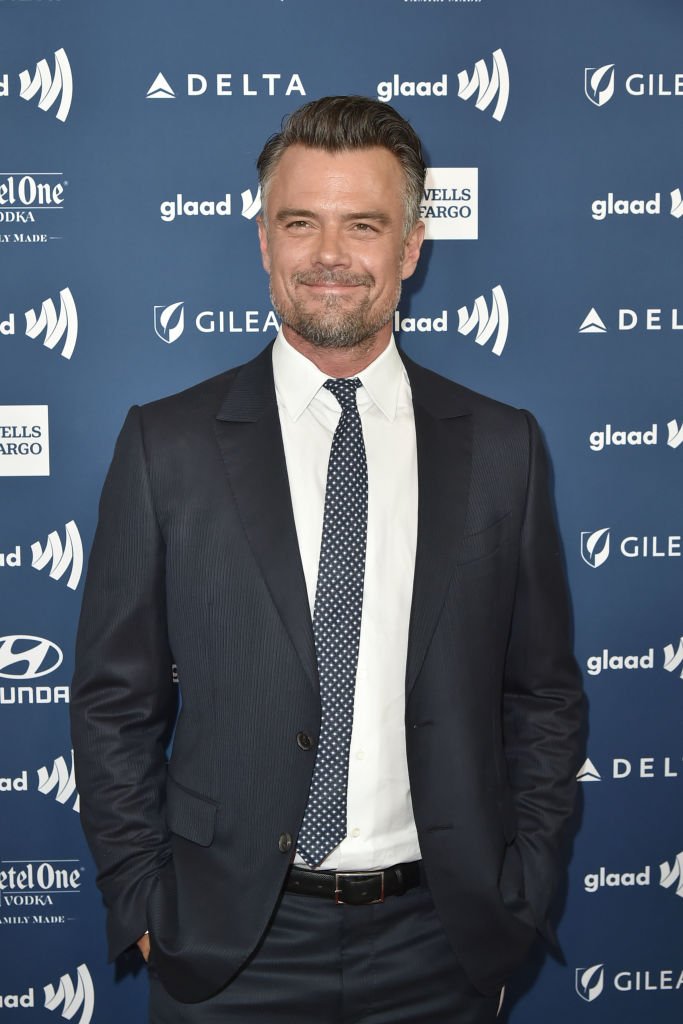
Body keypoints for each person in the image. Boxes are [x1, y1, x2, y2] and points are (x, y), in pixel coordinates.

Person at [70, 96, 584, 1023]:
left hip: (444, 939)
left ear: (411, 248)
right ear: (264, 240)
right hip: (226, 944)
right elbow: (114, 701)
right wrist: (146, 903)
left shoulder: (504, 446)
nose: (330, 255)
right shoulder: (168, 444)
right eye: (299, 222)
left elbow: (541, 694)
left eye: (363, 225)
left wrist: (523, 882)